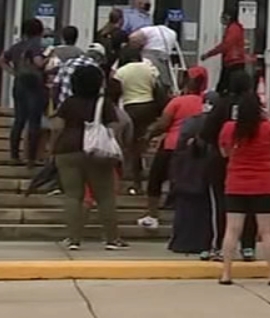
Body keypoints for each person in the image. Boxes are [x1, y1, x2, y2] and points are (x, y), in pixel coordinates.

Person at [50, 63, 126, 250]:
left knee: (73, 196)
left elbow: (57, 127)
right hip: (97, 153)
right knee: (105, 196)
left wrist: (51, 147)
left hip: (67, 149)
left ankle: (73, 239)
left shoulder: (68, 103)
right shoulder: (104, 103)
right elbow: (116, 127)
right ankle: (111, 239)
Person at [218, 86, 270, 286]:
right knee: (267, 231)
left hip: (236, 184)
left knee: (232, 230)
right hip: (263, 184)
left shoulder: (229, 128)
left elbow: (224, 153)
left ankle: (226, 273)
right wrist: (267, 118)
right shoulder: (267, 128)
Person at [200, 70, 259, 261]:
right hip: (249, 160)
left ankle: (218, 245)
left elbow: (207, 132)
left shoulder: (222, 105)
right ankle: (248, 246)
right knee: (249, 204)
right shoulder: (254, 108)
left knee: (220, 203)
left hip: (221, 160)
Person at [140, 66, 208, 229]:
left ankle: (153, 216)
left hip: (171, 145)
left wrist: (149, 134)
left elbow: (163, 124)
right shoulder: (204, 103)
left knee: (156, 180)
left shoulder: (177, 101)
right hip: (194, 149)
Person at [168, 91, 218, 258]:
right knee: (206, 212)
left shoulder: (192, 122)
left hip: (188, 171)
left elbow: (180, 146)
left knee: (185, 210)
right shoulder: (218, 123)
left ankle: (182, 242)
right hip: (208, 172)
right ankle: (203, 242)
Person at [0, 19, 49, 167]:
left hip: (19, 84)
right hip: (34, 85)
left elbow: (1, 60)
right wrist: (49, 58)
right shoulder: (36, 44)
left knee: (19, 120)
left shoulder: (17, 46)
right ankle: (31, 158)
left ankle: (14, 155)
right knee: (34, 122)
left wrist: (13, 72)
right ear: (39, 31)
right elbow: (38, 62)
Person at [114, 53, 162, 194]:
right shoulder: (149, 69)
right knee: (142, 143)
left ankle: (135, 180)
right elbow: (157, 86)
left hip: (131, 107)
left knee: (132, 146)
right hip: (149, 107)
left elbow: (116, 89)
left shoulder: (121, 71)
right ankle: (141, 173)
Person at [204, 10, 250, 95]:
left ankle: (221, 103)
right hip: (234, 61)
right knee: (228, 86)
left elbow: (226, 45)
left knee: (226, 87)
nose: (221, 20)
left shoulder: (233, 29)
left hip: (233, 62)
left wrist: (209, 54)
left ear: (228, 17)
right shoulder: (235, 28)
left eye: (222, 17)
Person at [51, 30, 100, 110]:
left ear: (62, 37)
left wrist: (54, 105)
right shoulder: (80, 53)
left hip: (64, 106)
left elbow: (56, 85)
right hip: (85, 107)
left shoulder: (55, 51)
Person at [130, 21, 179, 97]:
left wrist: (139, 46)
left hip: (148, 56)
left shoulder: (149, 30)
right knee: (163, 81)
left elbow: (133, 37)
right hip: (164, 58)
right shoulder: (172, 33)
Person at [96, 7, 128, 73]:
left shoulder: (101, 32)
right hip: (114, 67)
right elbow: (124, 51)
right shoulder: (121, 34)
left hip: (102, 65)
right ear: (120, 20)